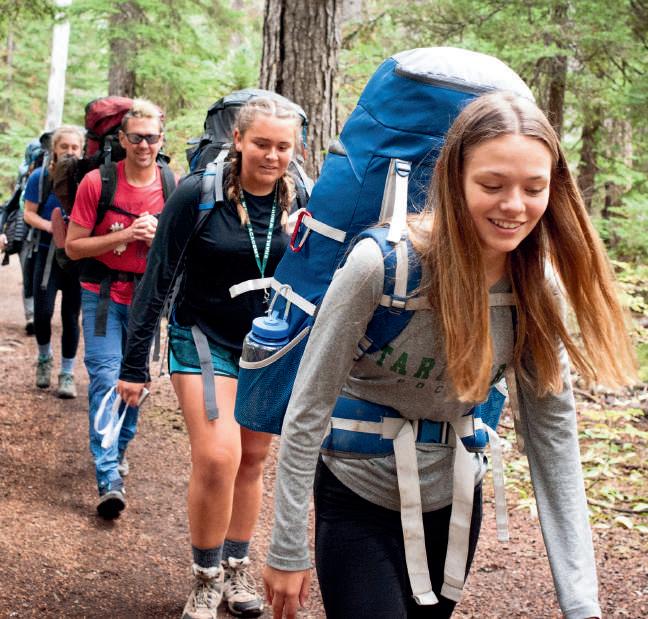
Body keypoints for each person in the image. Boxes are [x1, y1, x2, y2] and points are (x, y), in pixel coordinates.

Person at [262, 92, 636, 619]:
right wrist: (286, 547)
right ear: (453, 178)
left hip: (455, 499)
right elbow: (308, 406)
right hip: (356, 492)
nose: (515, 206)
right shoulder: (380, 267)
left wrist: (581, 602)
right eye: (492, 185)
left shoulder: (536, 289)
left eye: (534, 189)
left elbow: (552, 435)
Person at [116, 97, 305, 619]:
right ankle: (206, 576)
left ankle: (237, 566)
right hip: (202, 336)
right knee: (219, 457)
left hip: (267, 348)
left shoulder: (301, 197)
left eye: (282, 146)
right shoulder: (199, 194)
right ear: (238, 140)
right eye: (261, 143)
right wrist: (134, 365)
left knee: (252, 459)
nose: (272, 156)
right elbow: (157, 275)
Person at [65, 99, 170, 519]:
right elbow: (74, 247)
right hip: (102, 296)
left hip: (148, 300)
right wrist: (125, 234)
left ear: (162, 140)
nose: (144, 145)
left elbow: (184, 249)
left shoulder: (172, 184)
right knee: (108, 380)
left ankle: (119, 447)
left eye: (152, 137)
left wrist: (159, 240)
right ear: (122, 139)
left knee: (135, 384)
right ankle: (108, 476)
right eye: (137, 137)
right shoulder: (97, 182)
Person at [23, 126, 84, 398]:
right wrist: (53, 227)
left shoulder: (87, 178)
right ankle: (44, 358)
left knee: (70, 316)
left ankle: (67, 373)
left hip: (74, 257)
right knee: (42, 313)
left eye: (75, 147)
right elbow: (28, 213)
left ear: (82, 150)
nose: (70, 151)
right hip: (46, 254)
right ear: (54, 150)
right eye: (64, 147)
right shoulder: (40, 177)